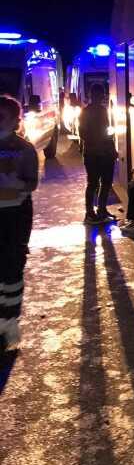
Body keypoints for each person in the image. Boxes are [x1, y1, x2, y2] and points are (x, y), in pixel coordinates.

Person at [0, 94, 39, 350]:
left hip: (15, 215)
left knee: (13, 266)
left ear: (15, 120)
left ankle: (10, 319)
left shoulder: (25, 149)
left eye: (2, 116)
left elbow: (32, 182)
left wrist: (16, 186)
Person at [79, 83, 117, 224]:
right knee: (94, 183)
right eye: (98, 95)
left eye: (101, 95)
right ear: (92, 96)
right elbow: (83, 133)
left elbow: (107, 132)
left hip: (100, 152)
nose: (100, 97)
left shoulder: (101, 111)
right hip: (94, 153)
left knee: (104, 182)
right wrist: (102, 143)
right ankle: (90, 213)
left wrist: (110, 148)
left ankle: (100, 210)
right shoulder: (87, 112)